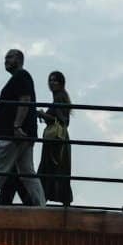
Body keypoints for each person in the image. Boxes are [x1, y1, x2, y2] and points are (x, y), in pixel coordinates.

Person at [0, 49, 45, 205]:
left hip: (14, 134)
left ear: (19, 59)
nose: (6, 60)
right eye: (5, 58)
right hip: (24, 133)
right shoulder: (21, 77)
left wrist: (16, 126)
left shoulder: (21, 76)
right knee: (27, 173)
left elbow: (25, 100)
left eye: (10, 57)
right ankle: (41, 205)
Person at [36, 70, 72, 205]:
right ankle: (59, 200)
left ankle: (41, 199)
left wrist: (42, 114)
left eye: (55, 80)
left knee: (49, 167)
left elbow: (61, 119)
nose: (51, 83)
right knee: (59, 169)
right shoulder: (62, 96)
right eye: (50, 80)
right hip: (60, 138)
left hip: (56, 139)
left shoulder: (59, 97)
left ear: (61, 83)